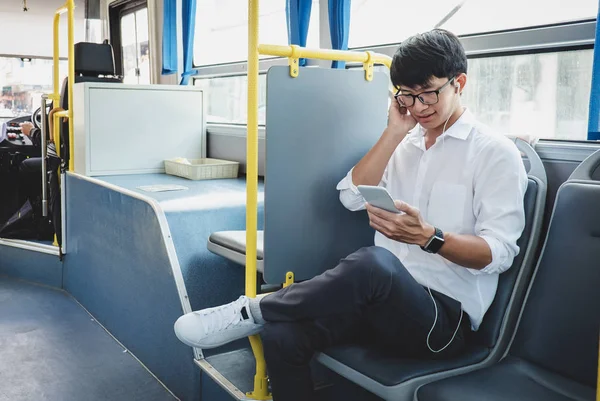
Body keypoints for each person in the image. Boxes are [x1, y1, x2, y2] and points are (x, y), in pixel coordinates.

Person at [173, 29, 528, 401]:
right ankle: (262, 316)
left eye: (428, 93)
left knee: (375, 262)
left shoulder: (493, 153)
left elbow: (498, 253)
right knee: (283, 335)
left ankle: (250, 310)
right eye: (406, 95)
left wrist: (429, 237)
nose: (418, 106)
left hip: (441, 323)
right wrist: (394, 132)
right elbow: (350, 197)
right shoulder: (404, 144)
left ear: (459, 83)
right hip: (379, 305)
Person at [18, 107, 64, 244]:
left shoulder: (61, 112)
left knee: (25, 165)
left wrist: (31, 131)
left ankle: (34, 213)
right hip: (64, 158)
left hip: (58, 159)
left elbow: (49, 142)